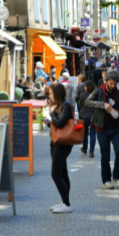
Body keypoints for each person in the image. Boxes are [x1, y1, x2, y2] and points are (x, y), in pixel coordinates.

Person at [86, 70, 119, 190]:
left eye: (115, 84)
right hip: (102, 129)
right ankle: (106, 180)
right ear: (106, 82)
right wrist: (102, 105)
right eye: (111, 83)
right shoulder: (99, 91)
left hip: (116, 129)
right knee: (105, 156)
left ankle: (117, 177)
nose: (113, 86)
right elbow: (87, 102)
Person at [46, 83, 74, 214]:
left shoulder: (66, 105)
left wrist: (52, 114)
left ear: (56, 94)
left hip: (63, 144)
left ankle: (67, 204)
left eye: (51, 93)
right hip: (56, 142)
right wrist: (48, 122)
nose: (49, 96)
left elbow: (61, 123)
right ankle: (64, 201)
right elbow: (56, 126)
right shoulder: (59, 106)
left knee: (55, 174)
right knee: (63, 173)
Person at [76, 80, 97, 158]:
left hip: (83, 116)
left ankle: (84, 148)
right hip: (93, 116)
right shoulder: (95, 95)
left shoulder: (82, 95)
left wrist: (80, 113)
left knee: (84, 133)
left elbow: (80, 105)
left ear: (87, 87)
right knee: (93, 134)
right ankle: (91, 151)